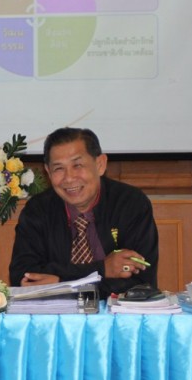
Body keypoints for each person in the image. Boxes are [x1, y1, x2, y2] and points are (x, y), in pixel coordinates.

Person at [9, 127, 158, 298]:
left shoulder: (130, 204)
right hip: (56, 313)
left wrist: (60, 283)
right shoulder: (38, 210)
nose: (69, 178)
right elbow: (23, 278)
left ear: (100, 165)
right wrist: (102, 269)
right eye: (59, 168)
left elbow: (140, 282)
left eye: (77, 165)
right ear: (48, 172)